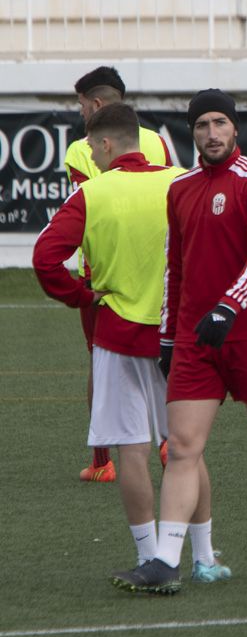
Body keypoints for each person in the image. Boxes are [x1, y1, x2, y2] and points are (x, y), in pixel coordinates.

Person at [110, 89, 247, 594]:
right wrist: (168, 336)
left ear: (235, 129)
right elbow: (175, 269)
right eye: (202, 124)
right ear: (192, 132)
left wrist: (229, 305)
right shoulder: (179, 188)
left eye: (220, 123)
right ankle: (165, 559)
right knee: (182, 446)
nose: (211, 133)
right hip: (194, 341)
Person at [33, 103, 229, 582]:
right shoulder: (182, 182)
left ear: (103, 144)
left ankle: (149, 557)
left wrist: (80, 296)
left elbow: (44, 258)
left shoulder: (93, 193)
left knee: (133, 452)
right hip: (178, 337)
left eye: (92, 149)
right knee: (187, 450)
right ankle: (203, 558)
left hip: (118, 336)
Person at [65, 65, 174, 483]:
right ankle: (168, 439)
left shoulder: (81, 149)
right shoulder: (157, 142)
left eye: (80, 105)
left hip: (105, 275)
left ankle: (101, 460)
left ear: (95, 105)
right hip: (158, 269)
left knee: (102, 360)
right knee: (162, 353)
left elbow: (84, 207)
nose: (79, 113)